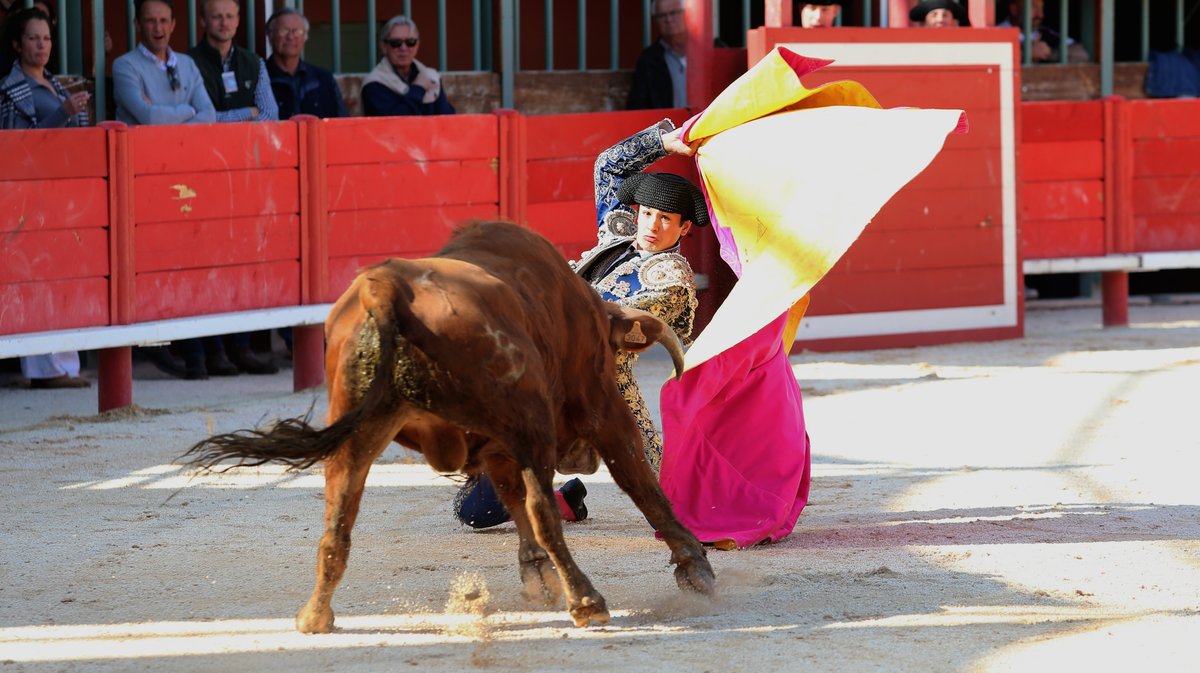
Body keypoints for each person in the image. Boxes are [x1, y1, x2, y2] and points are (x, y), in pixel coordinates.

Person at [453, 119, 706, 528]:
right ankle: (562, 500)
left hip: (602, 389)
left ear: (683, 227)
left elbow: (613, 323)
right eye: (647, 214)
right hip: (548, 371)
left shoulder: (672, 278)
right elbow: (608, 166)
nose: (652, 227)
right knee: (479, 510)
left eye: (665, 219)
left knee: (675, 502)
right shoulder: (619, 234)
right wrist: (663, 141)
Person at [0, 7, 91, 389]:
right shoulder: (10, 89)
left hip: (63, 192)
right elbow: (17, 148)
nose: (42, 45)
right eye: (34, 38)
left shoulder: (57, 83)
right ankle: (42, 370)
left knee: (64, 274)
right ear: (18, 44)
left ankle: (65, 366)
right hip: (30, 195)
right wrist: (65, 113)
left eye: (47, 38)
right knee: (35, 274)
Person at [113, 0, 215, 126]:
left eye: (163, 20)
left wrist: (162, 116)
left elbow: (209, 115)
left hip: (185, 145)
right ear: (137, 24)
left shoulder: (188, 64)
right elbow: (150, 117)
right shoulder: (125, 66)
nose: (158, 28)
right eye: (150, 21)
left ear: (173, 25)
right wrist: (191, 110)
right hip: (144, 146)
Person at [189, 0, 278, 122]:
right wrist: (248, 112)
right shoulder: (187, 64)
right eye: (217, 17)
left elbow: (270, 115)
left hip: (248, 141)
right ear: (203, 20)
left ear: (237, 20)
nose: (224, 23)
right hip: (204, 141)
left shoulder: (255, 63)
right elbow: (194, 118)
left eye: (229, 16)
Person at [361, 15, 454, 117]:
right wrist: (418, 88)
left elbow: (448, 118)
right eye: (396, 43)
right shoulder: (374, 84)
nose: (404, 48)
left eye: (410, 42)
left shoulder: (430, 77)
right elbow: (395, 123)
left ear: (417, 45)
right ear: (384, 47)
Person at [265, 7, 347, 120]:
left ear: (305, 37)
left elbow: (343, 124)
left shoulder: (324, 79)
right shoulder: (259, 78)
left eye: (297, 31)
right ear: (270, 35)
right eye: (284, 30)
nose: (291, 37)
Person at [626, 0, 687, 110]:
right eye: (662, 15)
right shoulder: (648, 60)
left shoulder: (712, 49)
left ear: (686, 14)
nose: (668, 19)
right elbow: (638, 105)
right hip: (669, 125)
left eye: (673, 13)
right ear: (655, 21)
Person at [999, 0, 1089, 63]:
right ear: (1014, 9)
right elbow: (987, 57)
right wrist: (1026, 53)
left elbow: (1082, 55)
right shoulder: (998, 33)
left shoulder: (1046, 33)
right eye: (1033, 7)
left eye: (1041, 7)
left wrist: (1049, 53)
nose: (1040, 14)